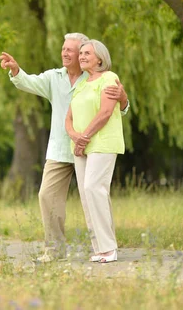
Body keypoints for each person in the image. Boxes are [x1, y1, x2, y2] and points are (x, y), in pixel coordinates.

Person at [0, 33, 129, 262]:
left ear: (87, 55)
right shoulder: (54, 77)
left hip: (91, 146)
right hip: (62, 147)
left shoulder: (99, 78)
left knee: (95, 194)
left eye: (74, 50)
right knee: (47, 195)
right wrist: (16, 70)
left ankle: (105, 247)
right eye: (64, 49)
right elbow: (30, 83)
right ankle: (56, 250)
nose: (66, 53)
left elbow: (117, 109)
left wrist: (124, 99)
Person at [65, 39, 125, 263]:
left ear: (99, 57)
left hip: (102, 143)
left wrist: (85, 137)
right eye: (80, 53)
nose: (81, 56)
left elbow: (105, 112)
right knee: (86, 195)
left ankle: (109, 247)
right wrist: (74, 136)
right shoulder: (81, 83)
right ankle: (99, 247)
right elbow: (68, 117)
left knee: (94, 188)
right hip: (81, 146)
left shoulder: (109, 78)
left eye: (87, 53)